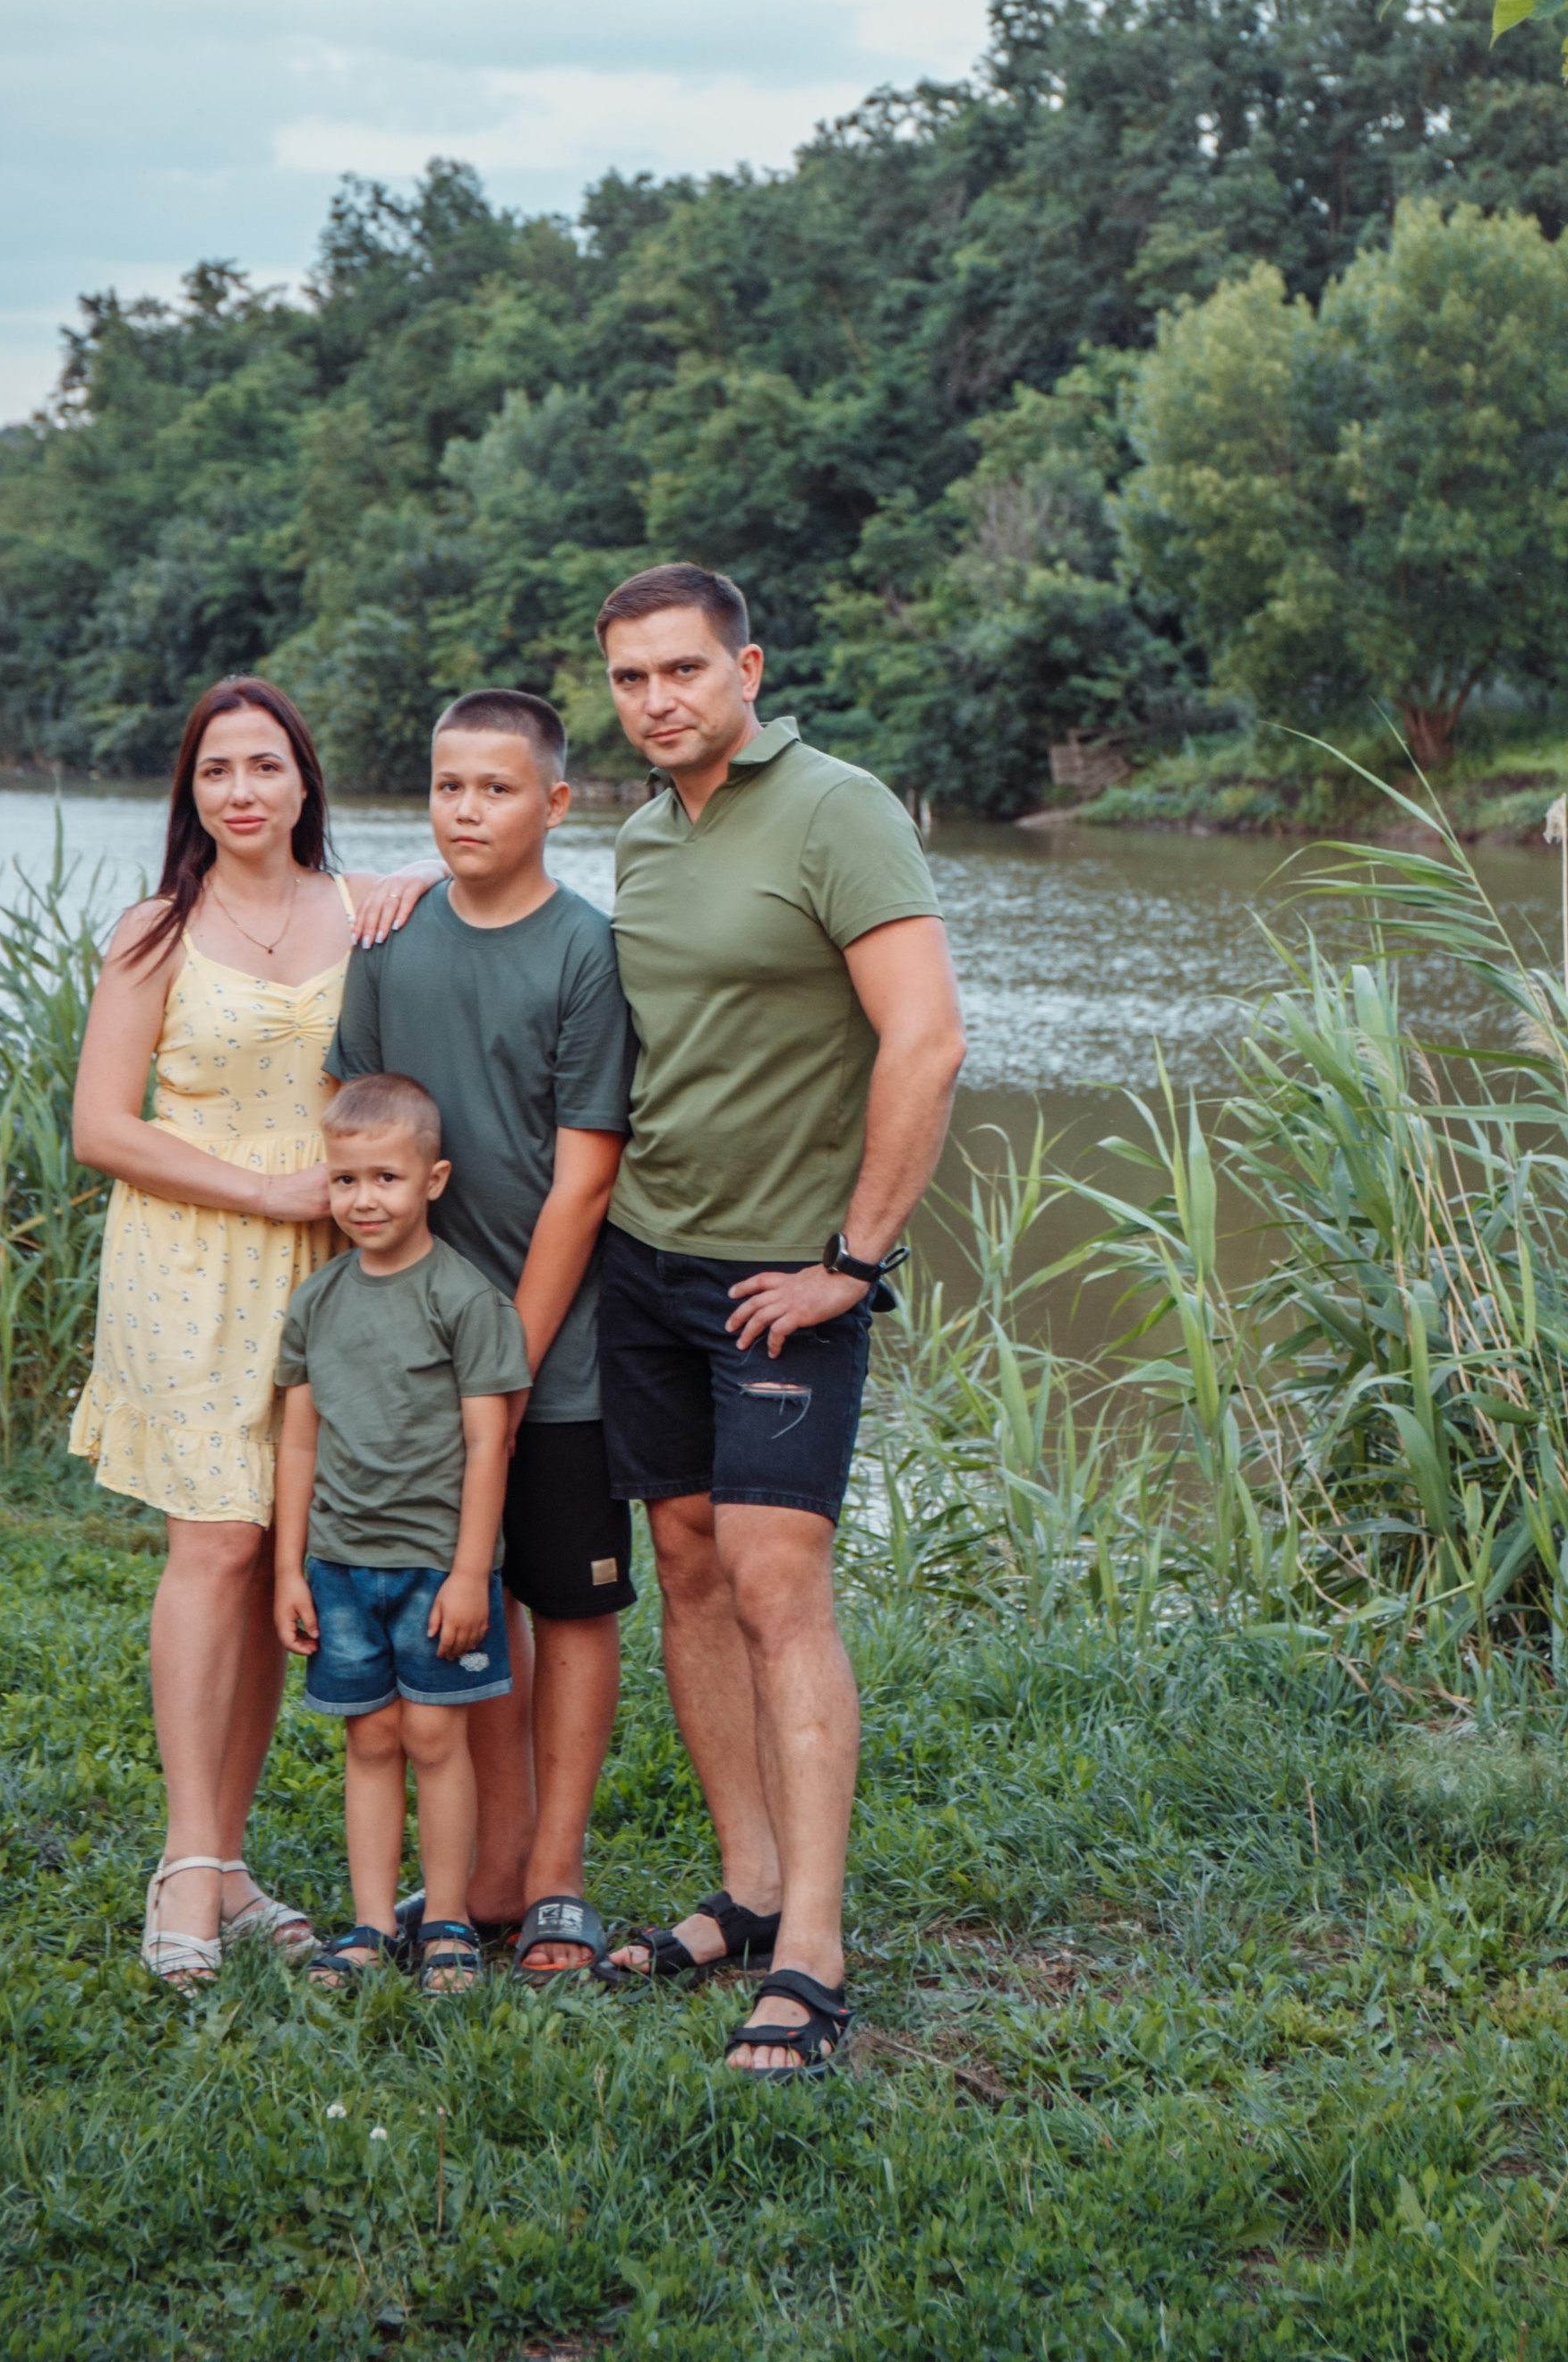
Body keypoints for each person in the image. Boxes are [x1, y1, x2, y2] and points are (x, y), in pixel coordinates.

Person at [592, 563, 965, 2074]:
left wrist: (854, 1261)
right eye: (629, 679)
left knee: (775, 1581)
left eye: (683, 669)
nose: (658, 700)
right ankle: (746, 1889)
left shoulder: (839, 809)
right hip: (647, 1259)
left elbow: (926, 1043)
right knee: (686, 1563)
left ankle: (811, 1950)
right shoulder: (634, 837)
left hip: (783, 1277)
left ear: (750, 666)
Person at [70, 677, 435, 1988]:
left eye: (264, 767)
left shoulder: (368, 912)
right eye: (216, 770)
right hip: (192, 1253)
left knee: (285, 1548)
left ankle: (229, 1863)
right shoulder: (155, 933)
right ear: (192, 792)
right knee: (215, 1547)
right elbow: (101, 1127)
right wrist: (267, 1189)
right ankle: (181, 1862)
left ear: (303, 782)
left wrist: (408, 883)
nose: (241, 791)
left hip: (338, 1266)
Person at [326, 687, 635, 1981]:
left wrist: (503, 1360)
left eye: (497, 789)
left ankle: (555, 1873)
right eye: (449, 786)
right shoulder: (391, 947)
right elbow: (354, 1132)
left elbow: (585, 1179)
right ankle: (486, 1870)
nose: (466, 810)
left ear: (555, 803)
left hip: (551, 1357)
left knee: (565, 1603)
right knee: (468, 1599)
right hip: (411, 1371)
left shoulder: (583, 950)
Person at [272, 1073, 531, 1993]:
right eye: (344, 1179)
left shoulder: (464, 1298)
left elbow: (488, 1441)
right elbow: (298, 1438)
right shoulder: (317, 1300)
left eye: (384, 1177)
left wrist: (471, 1574)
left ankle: (450, 1920)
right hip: (338, 1563)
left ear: (434, 1179)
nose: (362, 1198)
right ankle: (374, 1923)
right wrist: (286, 1571)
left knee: (433, 1737)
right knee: (369, 1738)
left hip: (434, 1566)